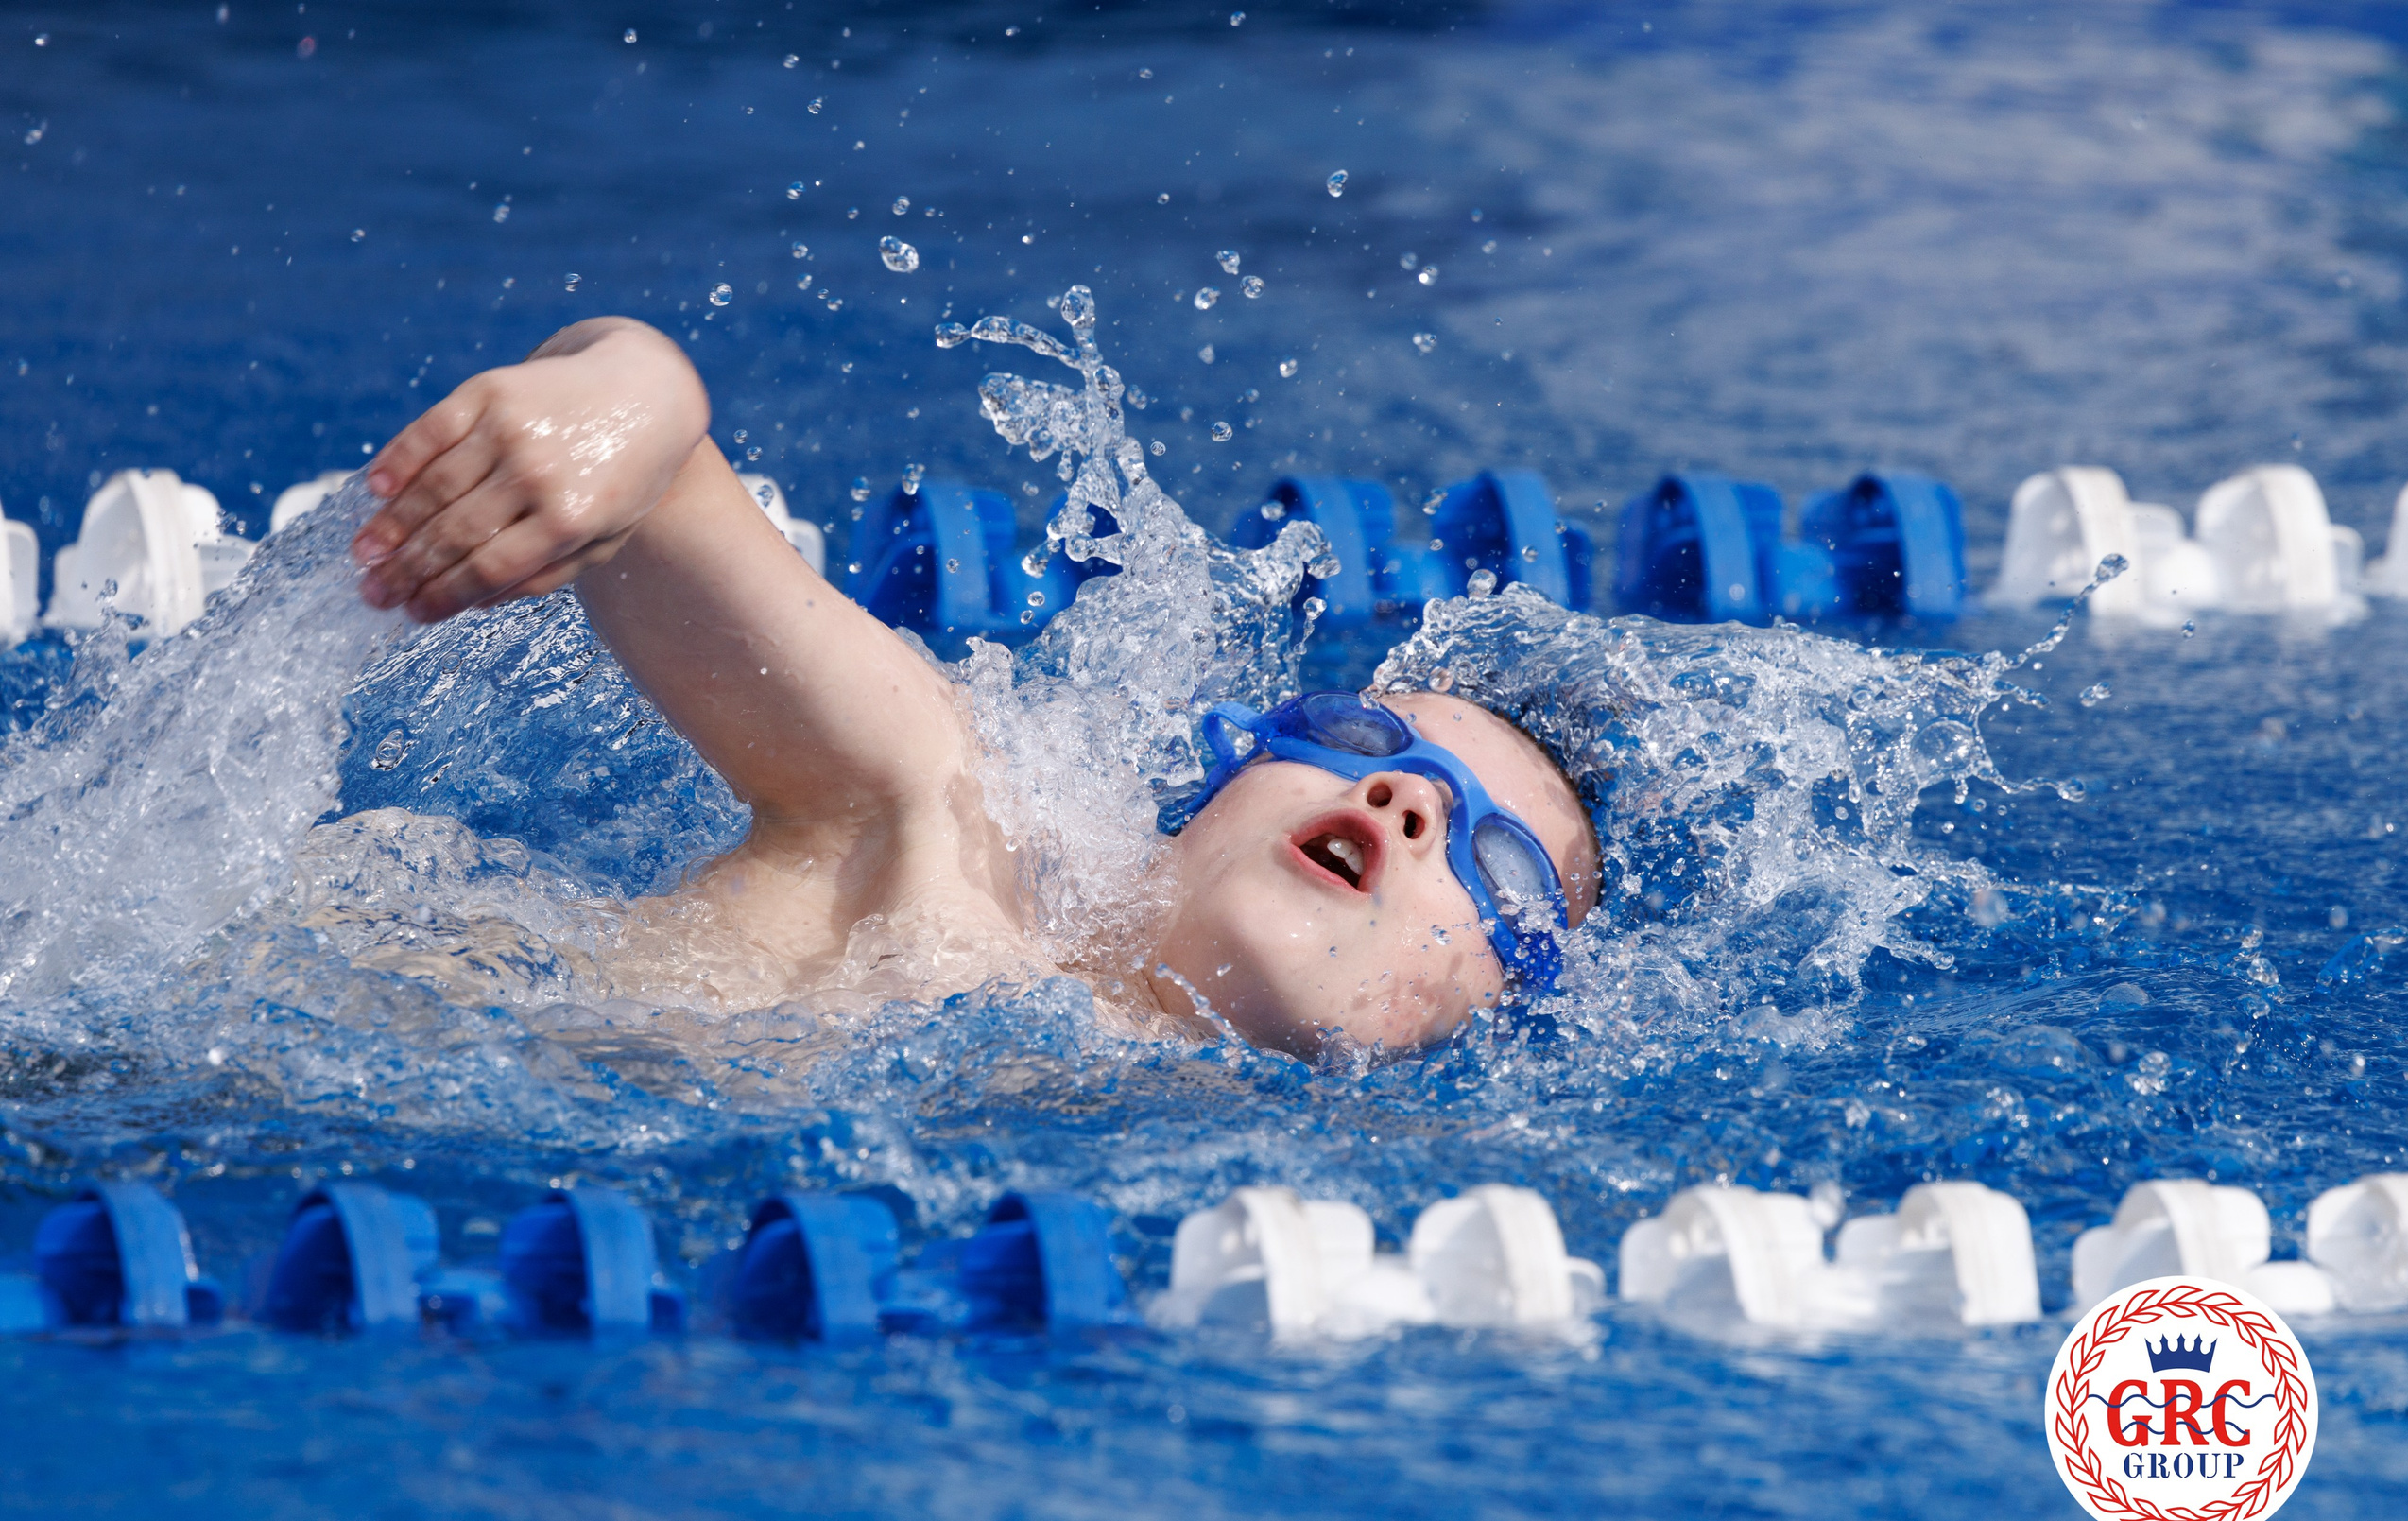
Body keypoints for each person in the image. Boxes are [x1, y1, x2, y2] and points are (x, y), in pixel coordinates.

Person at [347, 317, 1599, 1057]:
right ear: (1228, 770)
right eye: (1360, 733)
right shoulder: (935, 825)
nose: (1401, 797)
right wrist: (631, 395)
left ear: (1493, 1009)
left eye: (1495, 868)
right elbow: (662, 484)